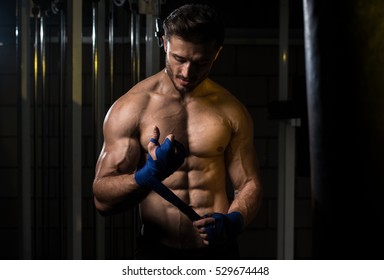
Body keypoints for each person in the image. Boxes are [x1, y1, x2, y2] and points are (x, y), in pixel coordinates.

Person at [92, 4, 262, 260]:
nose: (187, 73)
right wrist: (147, 175)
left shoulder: (232, 111)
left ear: (216, 54)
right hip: (155, 250)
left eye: (200, 62)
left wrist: (235, 220)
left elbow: (248, 183)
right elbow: (101, 199)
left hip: (216, 250)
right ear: (164, 42)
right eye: (179, 59)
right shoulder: (132, 107)